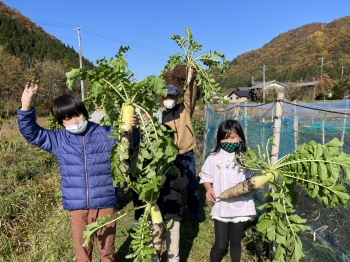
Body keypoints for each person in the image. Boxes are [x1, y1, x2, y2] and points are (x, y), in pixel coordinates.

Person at [17, 80, 136, 262]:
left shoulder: (106, 133)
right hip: (77, 206)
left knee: (107, 253)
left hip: (105, 202)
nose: (74, 121)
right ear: (61, 121)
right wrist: (26, 104)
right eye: (67, 118)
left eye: (78, 115)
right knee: (82, 254)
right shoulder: (58, 140)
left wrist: (131, 127)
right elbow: (32, 133)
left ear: (85, 113)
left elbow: (129, 142)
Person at [199, 119, 256, 262]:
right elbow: (206, 175)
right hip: (221, 205)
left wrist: (257, 184)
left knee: (236, 241)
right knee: (220, 244)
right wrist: (208, 188)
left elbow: (253, 179)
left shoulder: (247, 158)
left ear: (240, 138)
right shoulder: (213, 158)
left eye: (232, 138)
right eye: (223, 138)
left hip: (241, 206)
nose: (227, 141)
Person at [162, 84, 200, 224]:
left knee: (191, 184)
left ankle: (194, 214)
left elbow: (191, 95)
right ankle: (172, 212)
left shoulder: (185, 109)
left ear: (177, 98)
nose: (168, 99)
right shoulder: (161, 116)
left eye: (171, 96)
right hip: (170, 156)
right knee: (172, 185)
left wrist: (192, 79)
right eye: (166, 96)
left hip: (186, 153)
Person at [156, 160, 188, 262]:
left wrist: (167, 179)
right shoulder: (150, 163)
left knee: (173, 246)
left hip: (174, 211)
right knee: (153, 245)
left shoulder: (178, 164)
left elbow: (184, 182)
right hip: (154, 212)